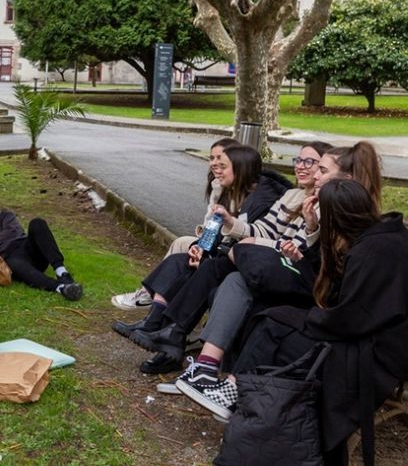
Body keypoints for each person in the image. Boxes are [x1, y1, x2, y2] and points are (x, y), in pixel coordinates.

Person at [179, 178, 408, 466]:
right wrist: (311, 229)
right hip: (357, 332)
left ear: (339, 216)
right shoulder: (371, 237)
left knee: (281, 328)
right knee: (272, 318)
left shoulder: (376, 249)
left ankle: (239, 393)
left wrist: (309, 319)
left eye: (324, 214)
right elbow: (327, 286)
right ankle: (238, 392)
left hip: (375, 350)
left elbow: (354, 316)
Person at [112, 145, 289, 372]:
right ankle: (157, 328)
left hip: (249, 265)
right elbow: (213, 232)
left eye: (223, 164)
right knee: (180, 260)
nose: (215, 167)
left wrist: (216, 245)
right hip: (229, 257)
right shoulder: (228, 191)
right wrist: (201, 248)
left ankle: (170, 339)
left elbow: (256, 238)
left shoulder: (264, 200)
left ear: (241, 169)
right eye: (213, 160)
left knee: (206, 269)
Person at [111, 137, 237, 310]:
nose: (214, 163)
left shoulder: (238, 191)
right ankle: (152, 297)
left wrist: (204, 245)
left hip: (226, 252)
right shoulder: (218, 185)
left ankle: (151, 297)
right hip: (213, 245)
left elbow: (230, 230)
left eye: (220, 159)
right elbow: (211, 224)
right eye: (211, 158)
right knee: (181, 243)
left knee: (183, 247)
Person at [0, 188, 83, 300]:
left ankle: (62, 272)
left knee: (37, 223)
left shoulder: (5, 216)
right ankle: (61, 288)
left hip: (27, 248)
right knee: (13, 263)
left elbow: (14, 231)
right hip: (8, 260)